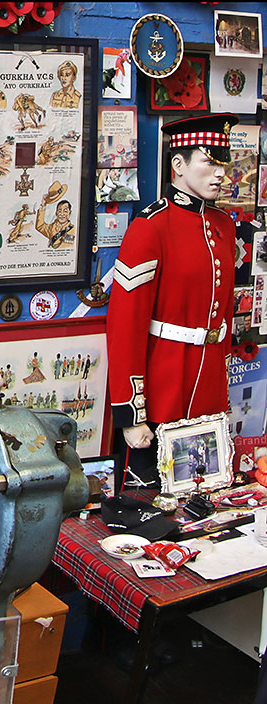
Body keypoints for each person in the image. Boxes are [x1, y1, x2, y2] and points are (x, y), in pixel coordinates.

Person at [107, 113, 238, 489]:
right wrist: (132, 413)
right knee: (152, 506)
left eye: (222, 164)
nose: (219, 175)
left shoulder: (223, 225)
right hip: (163, 388)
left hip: (209, 388)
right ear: (178, 165)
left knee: (207, 503)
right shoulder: (150, 228)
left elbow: (223, 310)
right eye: (209, 162)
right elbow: (125, 327)